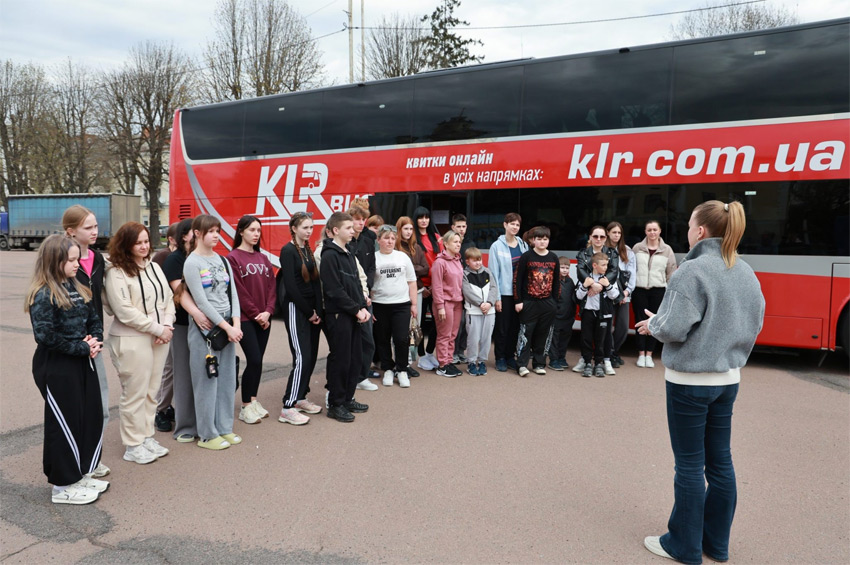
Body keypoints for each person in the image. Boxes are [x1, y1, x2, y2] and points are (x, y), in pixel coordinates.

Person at [637, 201, 765, 565]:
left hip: (689, 380)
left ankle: (684, 546)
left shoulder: (692, 270)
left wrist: (654, 324)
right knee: (720, 463)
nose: (687, 231)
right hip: (728, 379)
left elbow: (674, 328)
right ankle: (715, 544)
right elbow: (755, 321)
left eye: (689, 225)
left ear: (701, 231)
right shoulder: (745, 271)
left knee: (689, 465)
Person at [26, 234, 108, 504]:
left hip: (82, 360)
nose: (77, 264)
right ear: (54, 261)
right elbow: (45, 336)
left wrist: (95, 341)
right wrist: (81, 348)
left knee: (87, 417)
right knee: (64, 424)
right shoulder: (43, 294)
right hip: (57, 366)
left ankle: (80, 473)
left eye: (77, 259)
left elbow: (93, 318)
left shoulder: (76, 285)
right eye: (71, 260)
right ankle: (63, 486)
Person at [104, 222, 174, 464]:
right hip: (131, 338)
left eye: (146, 241)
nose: (144, 247)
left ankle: (146, 437)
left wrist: (167, 325)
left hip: (159, 337)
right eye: (138, 243)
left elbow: (168, 298)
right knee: (135, 392)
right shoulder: (116, 272)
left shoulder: (154, 267)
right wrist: (158, 328)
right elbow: (124, 310)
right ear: (126, 245)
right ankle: (133, 445)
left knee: (152, 391)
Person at [183, 215, 242, 450]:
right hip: (206, 330)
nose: (216, 235)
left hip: (228, 327)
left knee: (227, 380)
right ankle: (207, 434)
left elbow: (233, 294)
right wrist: (227, 327)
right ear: (198, 233)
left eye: (218, 231)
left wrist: (236, 324)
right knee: (207, 382)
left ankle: (224, 428)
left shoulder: (222, 260)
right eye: (211, 231)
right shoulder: (192, 263)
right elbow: (201, 302)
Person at [62, 205, 110, 479]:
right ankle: (78, 458)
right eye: (88, 227)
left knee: (99, 402)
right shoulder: (61, 261)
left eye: (95, 226)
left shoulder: (98, 258)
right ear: (71, 231)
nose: (95, 231)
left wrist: (97, 336)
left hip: (94, 340)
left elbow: (99, 300)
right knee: (76, 404)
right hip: (72, 343)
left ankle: (92, 457)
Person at [320, 212, 371, 423]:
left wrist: (362, 306)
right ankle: (336, 404)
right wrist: (355, 309)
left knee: (355, 358)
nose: (353, 231)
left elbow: (356, 284)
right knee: (341, 360)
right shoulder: (329, 256)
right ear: (335, 230)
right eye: (348, 228)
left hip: (353, 314)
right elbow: (334, 290)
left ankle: (348, 398)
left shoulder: (348, 253)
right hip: (339, 315)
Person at [162, 218, 208, 444]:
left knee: (202, 374)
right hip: (182, 324)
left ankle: (203, 422)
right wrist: (198, 313)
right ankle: (184, 426)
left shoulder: (202, 257)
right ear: (184, 236)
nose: (200, 235)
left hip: (205, 323)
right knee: (182, 375)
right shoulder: (175, 259)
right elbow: (180, 293)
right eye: (195, 232)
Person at [227, 215, 277, 425]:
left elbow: (272, 287)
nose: (256, 234)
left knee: (259, 362)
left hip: (264, 318)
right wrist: (257, 314)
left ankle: (253, 400)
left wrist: (268, 311)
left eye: (258, 230)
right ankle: (245, 406)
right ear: (241, 232)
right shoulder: (232, 258)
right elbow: (239, 291)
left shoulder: (263, 258)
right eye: (251, 230)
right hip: (246, 318)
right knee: (254, 359)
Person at [277, 212, 323, 425]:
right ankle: (288, 406)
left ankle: (300, 397)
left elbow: (315, 283)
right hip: (296, 310)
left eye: (311, 227)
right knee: (302, 357)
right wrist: (309, 312)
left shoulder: (307, 249)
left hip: (311, 311)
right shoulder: (288, 251)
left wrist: (318, 310)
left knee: (311, 356)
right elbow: (291, 287)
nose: (309, 231)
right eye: (305, 227)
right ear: (294, 228)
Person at [371, 224, 417, 387]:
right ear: (378, 240)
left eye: (392, 238)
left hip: (401, 305)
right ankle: (388, 369)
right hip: (380, 304)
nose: (390, 241)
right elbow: (368, 283)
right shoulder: (373, 258)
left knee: (401, 338)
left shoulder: (402, 257)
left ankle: (402, 370)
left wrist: (414, 304)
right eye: (386, 238)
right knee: (382, 339)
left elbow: (412, 281)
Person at [514, 226, 561, 377]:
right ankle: (521, 365)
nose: (542, 242)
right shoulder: (526, 256)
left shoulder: (553, 258)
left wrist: (555, 302)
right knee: (525, 334)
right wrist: (518, 300)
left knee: (543, 335)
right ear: (533, 240)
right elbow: (517, 280)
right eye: (539, 239)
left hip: (548, 303)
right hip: (529, 302)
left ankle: (539, 364)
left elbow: (557, 282)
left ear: (549, 240)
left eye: (545, 239)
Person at [573, 225, 620, 376]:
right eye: (595, 236)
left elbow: (614, 271)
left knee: (605, 335)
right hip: (588, 294)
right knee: (586, 336)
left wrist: (601, 285)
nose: (598, 239)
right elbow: (580, 270)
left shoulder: (612, 253)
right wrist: (591, 284)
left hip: (604, 300)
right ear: (590, 237)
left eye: (602, 236)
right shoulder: (583, 253)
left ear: (606, 238)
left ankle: (604, 361)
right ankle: (586, 360)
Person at [632, 220, 677, 368]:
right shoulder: (637, 248)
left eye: (655, 230)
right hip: (639, 290)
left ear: (660, 231)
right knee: (639, 320)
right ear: (645, 232)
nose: (652, 232)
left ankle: (649, 354)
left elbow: (671, 272)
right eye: (649, 230)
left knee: (654, 321)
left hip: (658, 290)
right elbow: (631, 269)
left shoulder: (667, 250)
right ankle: (641, 354)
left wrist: (670, 292)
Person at [488, 212, 528, 372]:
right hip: (504, 294)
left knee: (515, 327)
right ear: (505, 225)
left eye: (517, 224)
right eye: (512, 224)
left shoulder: (523, 245)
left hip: (519, 295)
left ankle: (510, 356)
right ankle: (500, 358)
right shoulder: (496, 246)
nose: (515, 227)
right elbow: (493, 274)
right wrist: (496, 297)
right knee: (502, 328)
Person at [348, 205, 379, 388]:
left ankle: (361, 376)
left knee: (368, 340)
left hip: (365, 297)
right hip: (351, 298)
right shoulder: (346, 243)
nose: (361, 223)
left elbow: (371, 268)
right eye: (357, 219)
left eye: (363, 219)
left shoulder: (368, 241)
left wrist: (367, 289)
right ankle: (352, 377)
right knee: (351, 342)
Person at [152, 221, 179, 433]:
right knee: (168, 368)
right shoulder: (163, 257)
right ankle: (160, 409)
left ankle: (167, 405)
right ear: (171, 239)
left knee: (176, 367)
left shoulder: (187, 256)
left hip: (179, 318)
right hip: (166, 319)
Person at [394, 216, 428, 377]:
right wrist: (414, 268)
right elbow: (397, 270)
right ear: (399, 230)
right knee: (400, 330)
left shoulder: (416, 247)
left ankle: (408, 363)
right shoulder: (395, 247)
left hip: (417, 291)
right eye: (405, 229)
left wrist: (408, 268)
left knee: (413, 327)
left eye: (410, 229)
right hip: (399, 292)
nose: (408, 232)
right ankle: (400, 364)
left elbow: (425, 268)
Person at [430, 230, 465, 377]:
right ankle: (442, 365)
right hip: (445, 303)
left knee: (453, 334)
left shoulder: (457, 260)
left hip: (457, 302)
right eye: (455, 242)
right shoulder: (440, 262)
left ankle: (449, 361)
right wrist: (440, 307)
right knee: (444, 335)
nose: (458, 244)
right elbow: (437, 286)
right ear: (446, 244)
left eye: (459, 242)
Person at [413, 206, 444, 366]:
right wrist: (422, 287)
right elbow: (411, 265)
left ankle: (429, 352)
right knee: (418, 324)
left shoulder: (437, 237)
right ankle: (420, 355)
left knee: (438, 322)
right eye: (420, 217)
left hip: (436, 286)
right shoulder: (413, 238)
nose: (424, 220)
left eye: (426, 217)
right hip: (419, 287)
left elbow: (442, 261)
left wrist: (433, 286)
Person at [461, 247, 498, 376]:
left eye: (479, 260)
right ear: (467, 261)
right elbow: (467, 292)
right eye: (474, 260)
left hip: (490, 311)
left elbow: (494, 288)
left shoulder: (487, 272)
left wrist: (489, 303)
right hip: (473, 312)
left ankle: (482, 361)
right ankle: (471, 362)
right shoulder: (465, 274)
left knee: (486, 338)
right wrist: (481, 303)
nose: (478, 263)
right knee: (473, 338)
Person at [606, 221, 636, 369]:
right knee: (607, 325)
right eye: (614, 232)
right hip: (607, 293)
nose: (616, 235)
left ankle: (614, 351)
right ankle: (609, 353)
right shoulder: (603, 250)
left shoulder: (628, 251)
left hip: (624, 294)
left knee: (623, 326)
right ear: (608, 233)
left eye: (619, 233)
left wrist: (626, 292)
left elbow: (632, 274)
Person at [547, 256, 576, 371]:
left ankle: (561, 357)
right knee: (554, 340)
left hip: (568, 317)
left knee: (564, 339)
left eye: (567, 268)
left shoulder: (570, 282)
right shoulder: (553, 281)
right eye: (562, 267)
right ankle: (553, 360)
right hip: (556, 317)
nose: (565, 270)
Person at [451, 213, 473, 364]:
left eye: (463, 226)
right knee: (456, 323)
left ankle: (461, 351)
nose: (461, 229)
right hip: (454, 287)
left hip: (468, 286)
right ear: (453, 227)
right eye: (458, 226)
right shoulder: (449, 243)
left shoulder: (470, 243)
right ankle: (452, 352)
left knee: (466, 322)